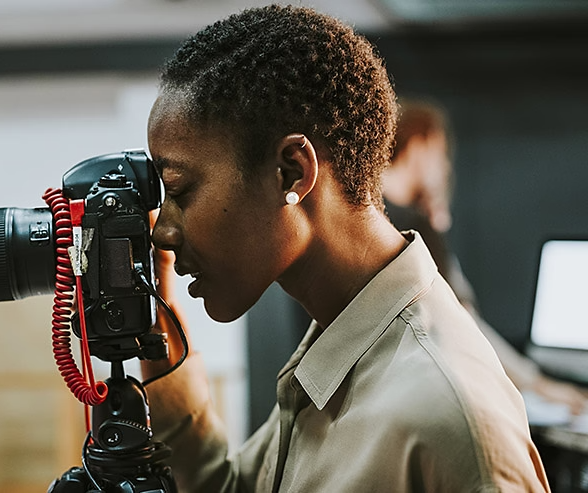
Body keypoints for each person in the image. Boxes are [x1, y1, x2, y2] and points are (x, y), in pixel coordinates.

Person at [142, 5, 549, 492]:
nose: (161, 231)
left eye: (180, 190)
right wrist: (157, 345)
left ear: (293, 172)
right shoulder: (337, 348)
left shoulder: (445, 416)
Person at [382, 99, 588, 415]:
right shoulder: (412, 226)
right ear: (420, 145)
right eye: (442, 155)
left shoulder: (371, 216)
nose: (447, 168)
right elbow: (461, 322)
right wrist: (539, 385)